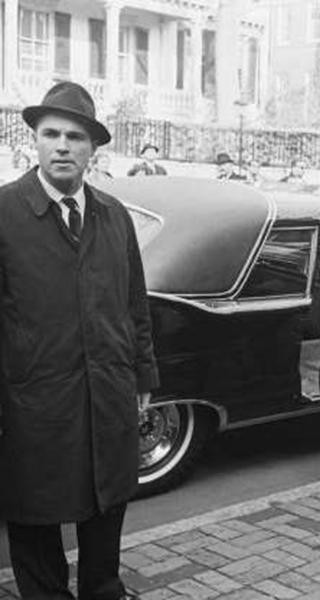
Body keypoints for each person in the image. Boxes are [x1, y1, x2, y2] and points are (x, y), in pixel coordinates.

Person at [0, 81, 157, 600]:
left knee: (106, 500)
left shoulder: (113, 215)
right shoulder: (5, 213)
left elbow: (135, 304)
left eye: (75, 137)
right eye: (52, 134)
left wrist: (143, 376)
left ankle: (102, 590)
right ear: (35, 140)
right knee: (32, 509)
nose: (62, 146)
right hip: (31, 397)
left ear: (93, 149)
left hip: (108, 389)